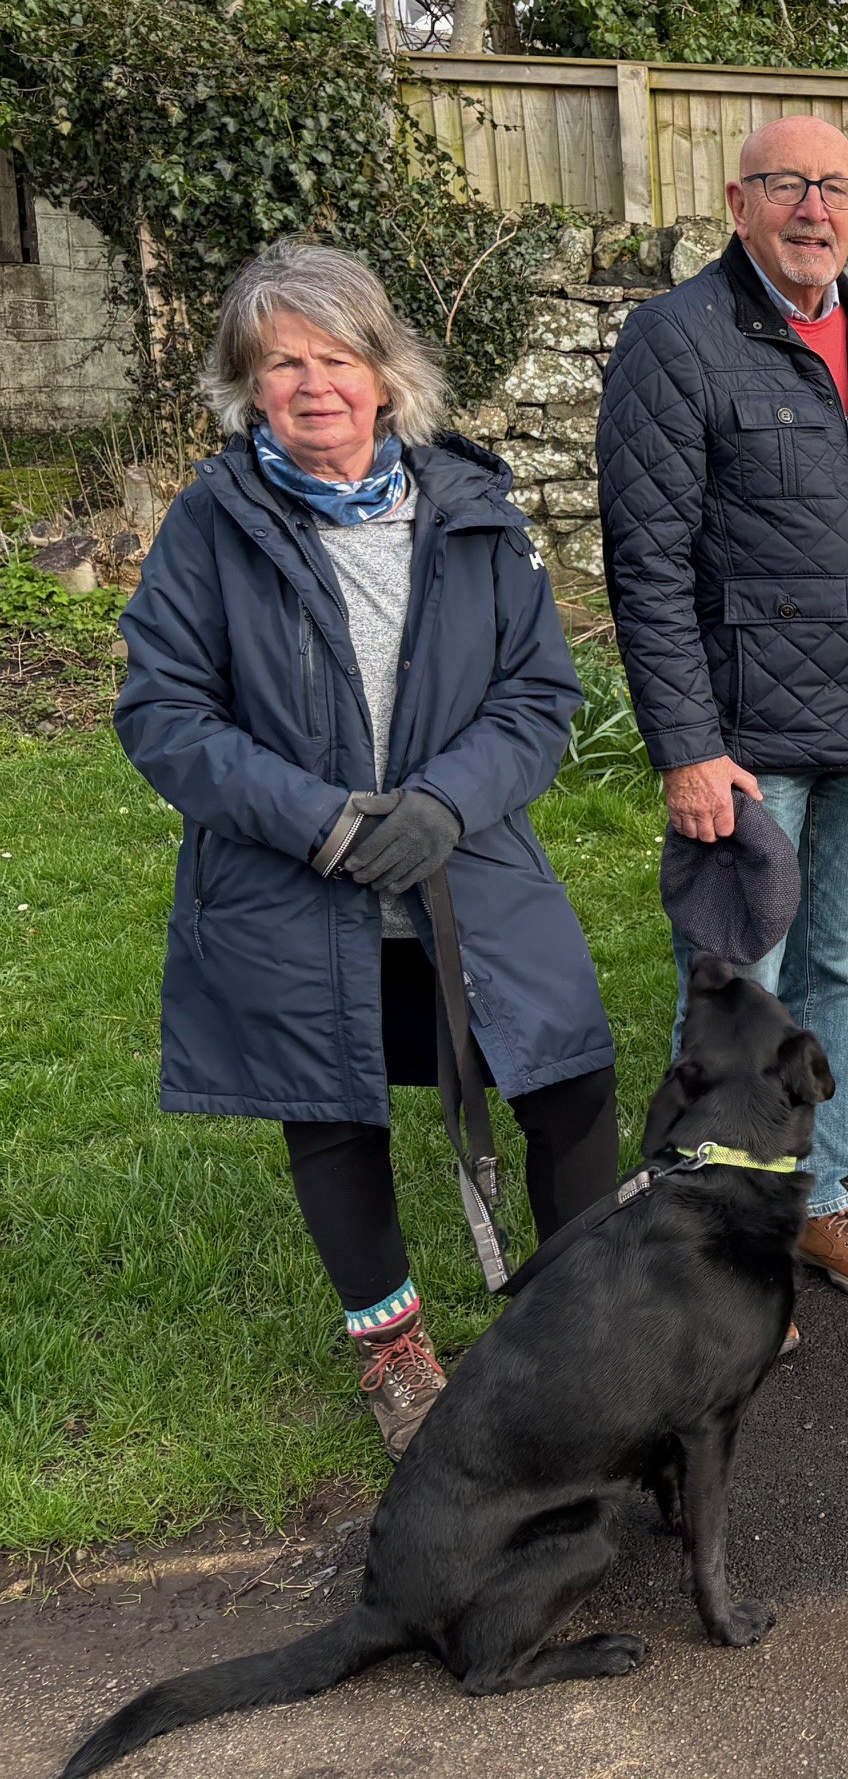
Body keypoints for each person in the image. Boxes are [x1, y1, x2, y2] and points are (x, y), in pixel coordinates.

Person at [116, 243, 616, 1458]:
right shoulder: (211, 525)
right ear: (249, 389)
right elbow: (163, 713)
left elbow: (537, 698)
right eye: (280, 363)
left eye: (334, 356)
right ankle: (395, 1357)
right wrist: (325, 821)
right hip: (296, 887)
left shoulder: (473, 512)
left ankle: (584, 1330)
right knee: (330, 1108)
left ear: (384, 373)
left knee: (568, 1080)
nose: (312, 383)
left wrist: (443, 806)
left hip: (472, 869)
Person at [596, 115, 848, 1299]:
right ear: (737, 204)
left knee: (842, 965)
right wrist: (687, 747)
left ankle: (818, 1199)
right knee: (745, 982)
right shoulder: (675, 340)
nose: (815, 209)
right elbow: (647, 560)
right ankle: (722, 1237)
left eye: (837, 186)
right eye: (787, 185)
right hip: (746, 740)